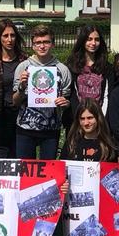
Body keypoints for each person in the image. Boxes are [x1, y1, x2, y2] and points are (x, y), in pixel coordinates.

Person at [12, 24, 72, 160]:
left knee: (48, 173)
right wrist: (22, 86)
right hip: (25, 128)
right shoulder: (23, 67)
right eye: (38, 43)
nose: (42, 46)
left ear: (53, 44)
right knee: (25, 172)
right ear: (32, 46)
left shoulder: (62, 70)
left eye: (46, 42)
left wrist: (65, 103)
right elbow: (15, 102)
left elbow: (66, 100)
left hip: (51, 130)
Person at [0, 19, 27, 158]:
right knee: (0, 155)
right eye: (5, 36)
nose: (10, 39)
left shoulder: (25, 61)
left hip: (21, 114)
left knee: (19, 155)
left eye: (12, 35)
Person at [66, 24, 110, 130]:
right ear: (82, 41)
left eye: (97, 39)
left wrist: (101, 118)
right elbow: (70, 94)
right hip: (77, 121)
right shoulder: (71, 66)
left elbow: (107, 95)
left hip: (99, 121)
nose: (93, 43)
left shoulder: (107, 67)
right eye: (89, 39)